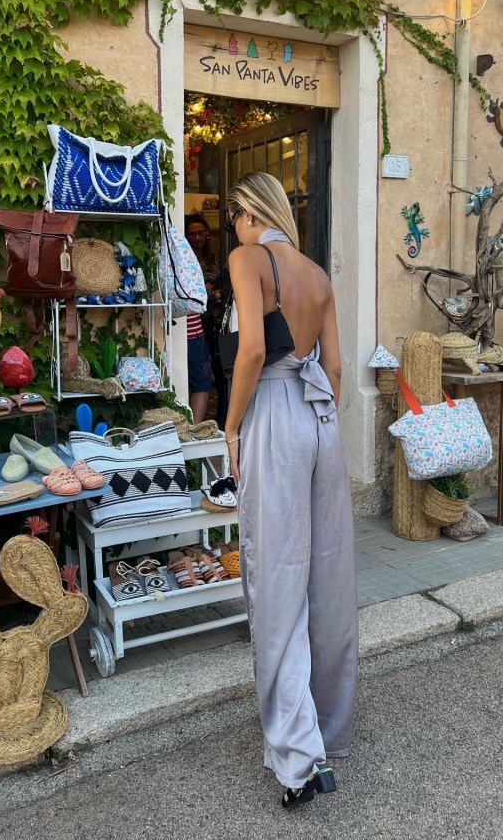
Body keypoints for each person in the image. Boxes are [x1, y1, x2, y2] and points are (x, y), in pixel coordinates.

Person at [222, 172, 358, 811]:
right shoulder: (318, 275)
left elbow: (251, 349)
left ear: (249, 210)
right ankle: (327, 728)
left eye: (233, 216)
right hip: (321, 417)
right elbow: (334, 369)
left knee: (276, 579)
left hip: (275, 412)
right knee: (327, 578)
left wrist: (230, 425)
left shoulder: (249, 258)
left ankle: (299, 761)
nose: (233, 228)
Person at [184, 214, 222, 424]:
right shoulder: (185, 259)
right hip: (195, 322)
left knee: (208, 370)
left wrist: (214, 293)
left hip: (211, 317)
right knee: (200, 378)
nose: (197, 237)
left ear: (207, 234)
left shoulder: (213, 258)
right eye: (192, 234)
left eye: (200, 233)